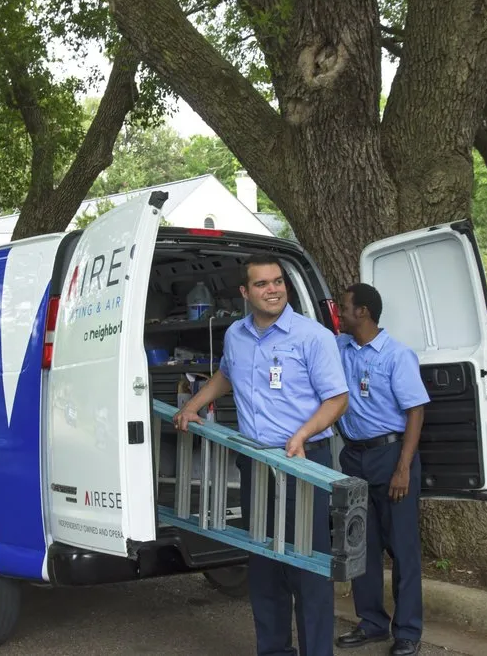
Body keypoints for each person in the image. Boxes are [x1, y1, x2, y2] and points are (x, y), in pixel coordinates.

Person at [174, 254, 349, 656]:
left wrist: (302, 434)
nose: (273, 290)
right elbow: (226, 374)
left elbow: (338, 399)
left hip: (302, 463)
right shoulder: (236, 334)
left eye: (277, 281)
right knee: (265, 564)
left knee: (307, 565)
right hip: (255, 462)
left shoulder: (312, 337)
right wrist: (192, 406)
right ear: (245, 292)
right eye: (262, 284)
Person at [333, 283, 430, 656]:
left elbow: (415, 411)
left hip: (391, 456)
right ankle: (372, 623)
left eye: (344, 307)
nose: (339, 313)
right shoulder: (339, 348)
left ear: (363, 312)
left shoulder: (396, 355)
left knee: (403, 548)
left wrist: (403, 468)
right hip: (353, 457)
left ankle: (408, 631)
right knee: (361, 544)